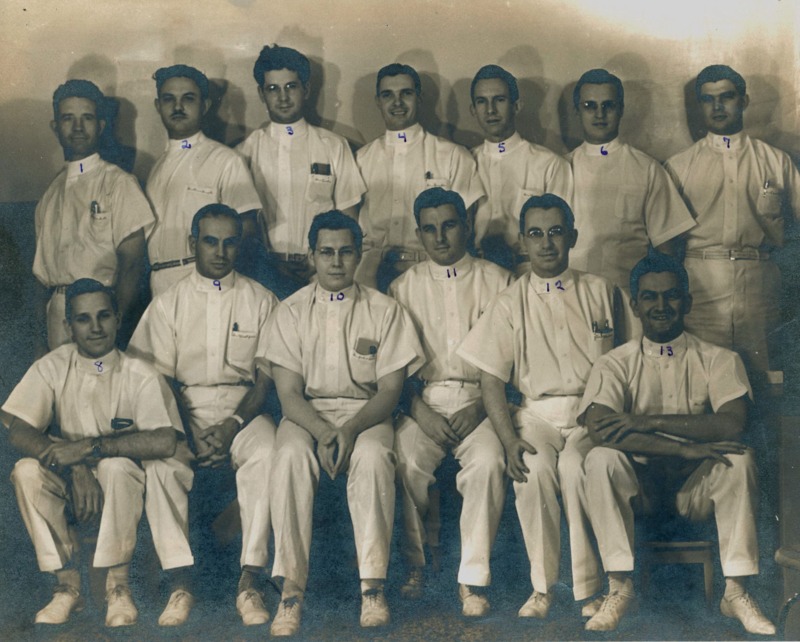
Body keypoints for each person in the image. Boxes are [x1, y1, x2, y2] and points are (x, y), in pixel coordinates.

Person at [577, 252, 775, 635]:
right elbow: (600, 430)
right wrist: (683, 446)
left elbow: (732, 423)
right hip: (641, 490)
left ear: (687, 302)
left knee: (739, 458)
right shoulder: (614, 363)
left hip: (695, 491)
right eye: (649, 296)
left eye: (671, 295)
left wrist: (645, 422)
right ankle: (619, 587)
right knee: (601, 458)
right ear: (635, 305)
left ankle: (736, 591)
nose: (661, 305)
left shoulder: (719, 358)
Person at [459, 194, 621, 619]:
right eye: (535, 234)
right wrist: (508, 439)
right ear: (522, 242)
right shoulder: (509, 301)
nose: (546, 243)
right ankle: (543, 588)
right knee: (532, 469)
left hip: (592, 414)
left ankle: (588, 591)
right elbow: (491, 380)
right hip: (536, 415)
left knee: (576, 469)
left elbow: (627, 360)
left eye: (555, 232)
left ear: (573, 237)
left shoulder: (602, 291)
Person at [266, 211, 423, 636]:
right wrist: (321, 432)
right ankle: (291, 592)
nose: (336, 262)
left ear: (359, 255)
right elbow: (288, 394)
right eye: (326, 252)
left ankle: (372, 587)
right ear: (311, 256)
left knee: (373, 458)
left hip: (367, 414)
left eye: (345, 252)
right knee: (289, 456)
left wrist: (350, 431)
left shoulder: (385, 310)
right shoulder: (290, 311)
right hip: (307, 414)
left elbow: (390, 391)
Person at [2, 279, 191, 627]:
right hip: (69, 478)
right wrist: (73, 465)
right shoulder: (52, 366)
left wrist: (91, 449)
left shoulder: (140, 372)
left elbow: (165, 440)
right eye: (83, 319)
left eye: (104, 316)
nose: (95, 327)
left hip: (126, 484)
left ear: (117, 319)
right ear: (68, 326)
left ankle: (118, 587)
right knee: (26, 471)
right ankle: (66, 586)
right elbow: (19, 429)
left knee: (115, 467)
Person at [128, 204, 279, 626]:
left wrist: (232, 426)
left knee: (270, 451)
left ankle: (250, 579)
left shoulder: (261, 300)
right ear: (193, 243)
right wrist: (187, 434)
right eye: (210, 241)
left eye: (230, 243)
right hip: (182, 410)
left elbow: (265, 382)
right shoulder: (168, 303)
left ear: (240, 245)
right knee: (162, 463)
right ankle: (180, 583)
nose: (220, 252)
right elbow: (158, 382)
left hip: (243, 412)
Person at [388, 188, 511, 615]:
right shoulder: (402, 287)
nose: (440, 238)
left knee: (489, 463)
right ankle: (416, 564)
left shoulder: (500, 281)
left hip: (484, 401)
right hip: (424, 401)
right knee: (405, 460)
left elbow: (513, 360)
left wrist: (482, 407)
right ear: (418, 234)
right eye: (430, 229)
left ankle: (472, 580)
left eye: (449, 226)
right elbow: (395, 367)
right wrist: (419, 412)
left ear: (467, 226)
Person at [665, 64, 800, 372]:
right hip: (701, 287)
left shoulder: (776, 161)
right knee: (702, 373)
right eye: (708, 99)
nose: (717, 107)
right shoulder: (679, 166)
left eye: (726, 97)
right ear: (699, 105)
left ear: (744, 101)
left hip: (760, 285)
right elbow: (666, 240)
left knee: (762, 375)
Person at [567, 68, 695, 338]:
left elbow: (666, 249)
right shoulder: (560, 168)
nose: (599, 114)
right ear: (577, 111)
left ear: (621, 109)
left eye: (608, 105)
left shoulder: (646, 168)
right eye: (590, 106)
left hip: (627, 301)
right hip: (571, 298)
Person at [34, 80, 153, 351]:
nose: (78, 127)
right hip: (58, 314)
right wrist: (39, 342)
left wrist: (112, 325)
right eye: (68, 118)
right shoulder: (50, 195)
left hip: (99, 312)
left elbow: (132, 265)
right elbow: (40, 278)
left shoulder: (119, 183)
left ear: (100, 126)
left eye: (86, 118)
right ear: (55, 127)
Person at [237, 45, 366, 292]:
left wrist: (318, 264)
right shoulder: (245, 152)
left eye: (291, 87)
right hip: (264, 275)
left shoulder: (333, 146)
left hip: (322, 274)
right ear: (261, 94)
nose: (283, 97)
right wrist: (270, 267)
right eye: (273, 89)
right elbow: (243, 230)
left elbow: (348, 220)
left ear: (305, 89)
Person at [355, 63, 484, 289]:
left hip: (429, 270)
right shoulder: (361, 159)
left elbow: (465, 228)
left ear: (419, 98)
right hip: (370, 271)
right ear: (378, 101)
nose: (397, 102)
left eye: (406, 93)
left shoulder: (453, 156)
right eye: (388, 95)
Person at [146, 65, 262, 296]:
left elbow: (246, 231)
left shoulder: (225, 160)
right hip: (159, 282)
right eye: (169, 99)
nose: (178, 107)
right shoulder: (155, 168)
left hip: (203, 280)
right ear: (158, 106)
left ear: (205, 105)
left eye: (188, 99)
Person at [469, 64, 574, 274]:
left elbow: (560, 234)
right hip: (476, 271)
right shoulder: (464, 162)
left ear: (516, 106)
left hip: (529, 270)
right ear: (473, 110)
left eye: (499, 100)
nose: (490, 110)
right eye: (482, 101)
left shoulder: (550, 164)